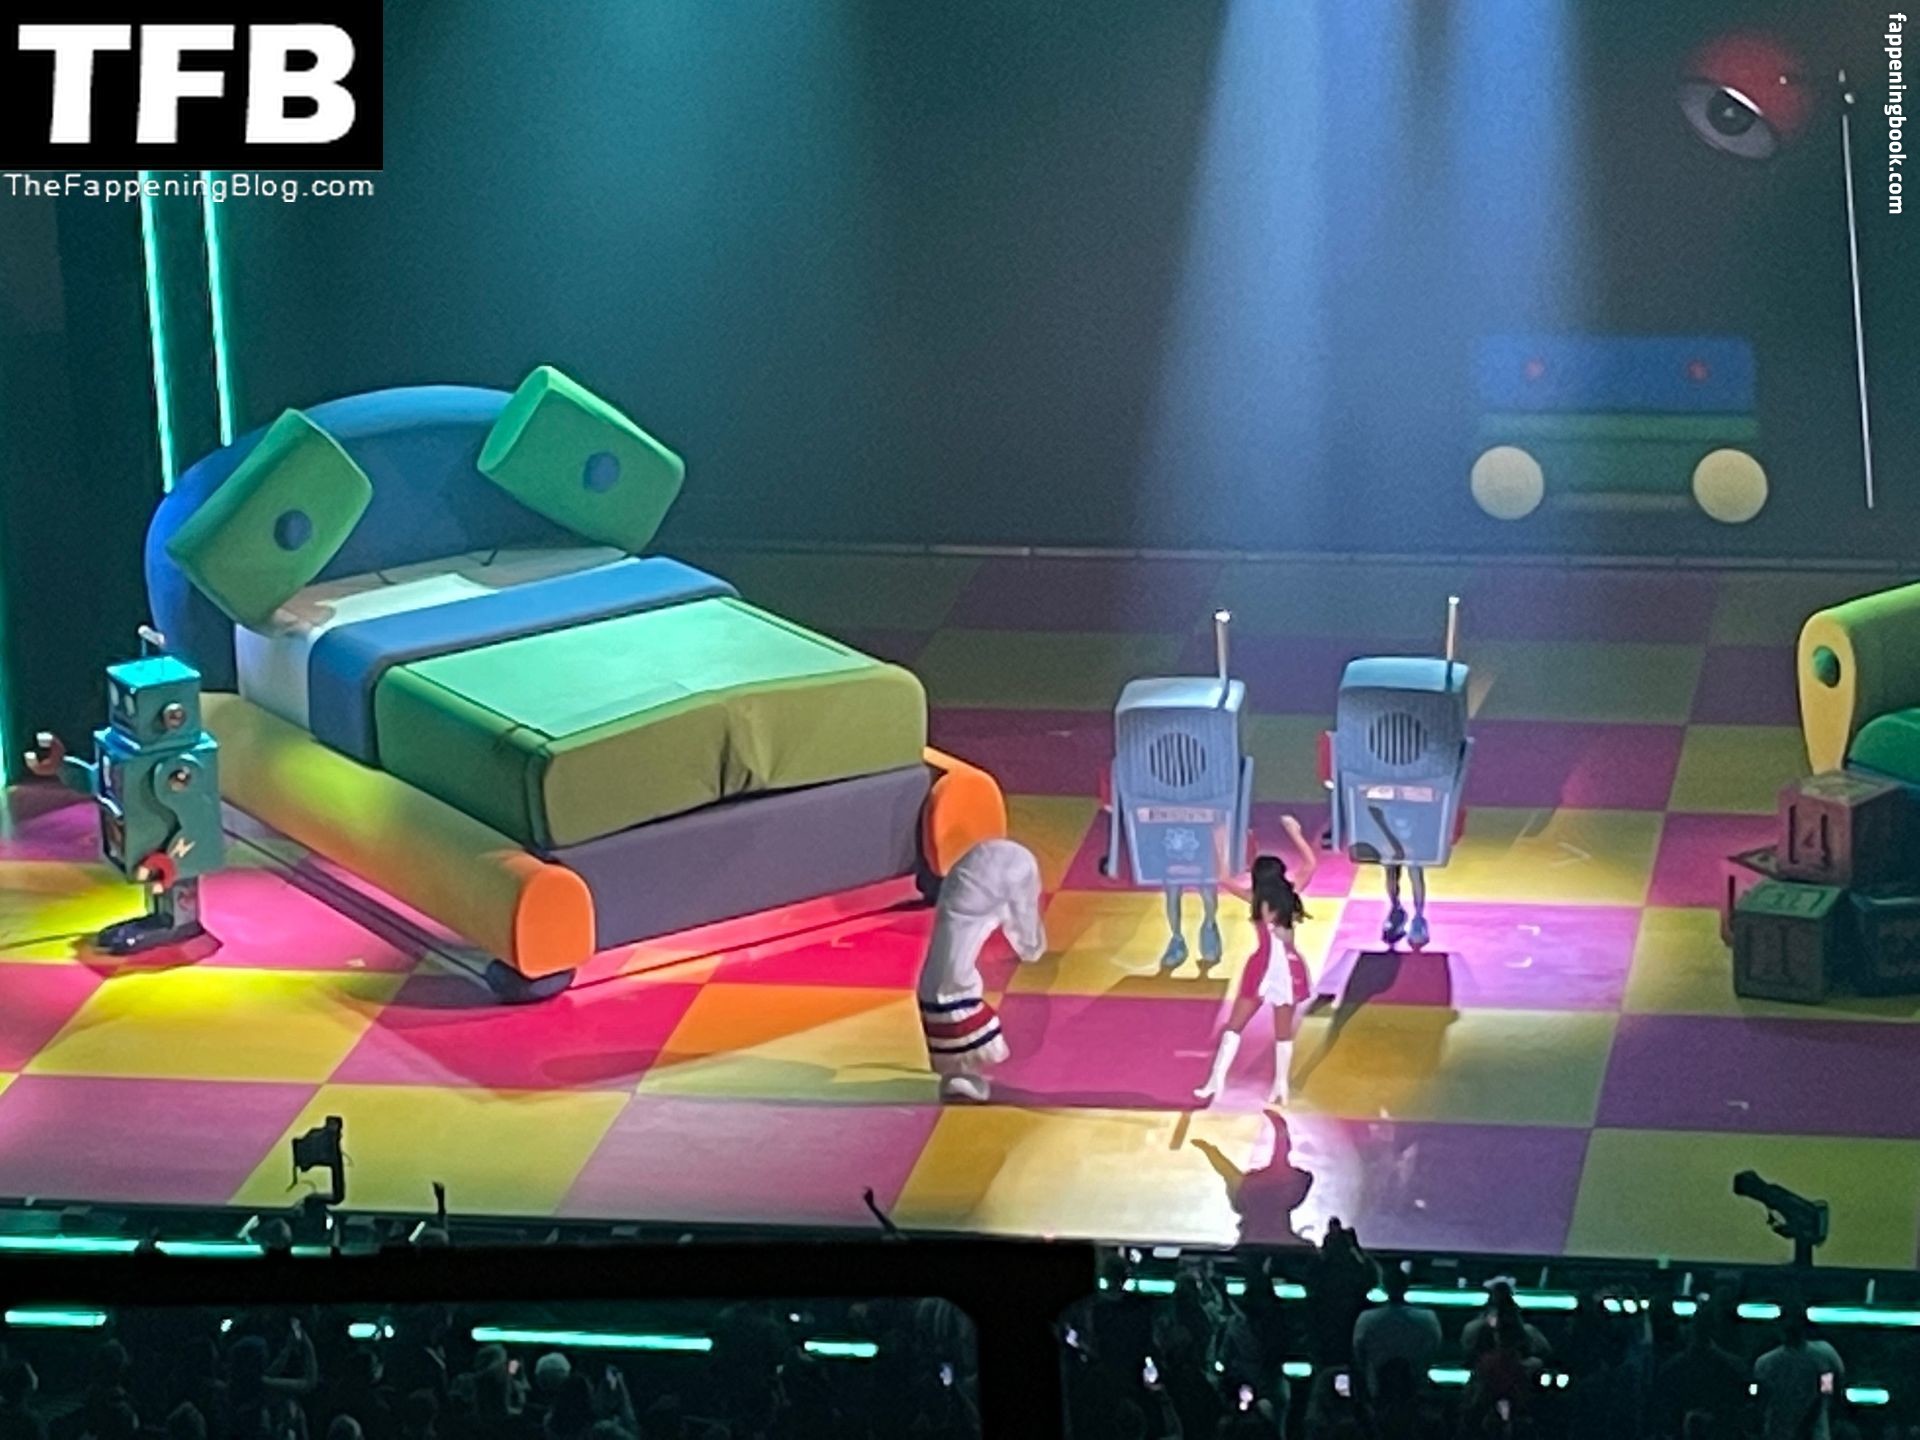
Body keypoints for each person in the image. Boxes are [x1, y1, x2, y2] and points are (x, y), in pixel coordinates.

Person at [1194, 818, 1318, 1104]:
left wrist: (1218, 842)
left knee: (1235, 1026)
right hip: (1285, 968)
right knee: (1281, 1033)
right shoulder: (1290, 894)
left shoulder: (1255, 899)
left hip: (1266, 967)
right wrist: (1295, 833)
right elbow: (1310, 864)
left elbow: (1223, 878)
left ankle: (1219, 1081)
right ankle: (1275, 1086)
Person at [916, 839, 1048, 1102]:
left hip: (944, 982)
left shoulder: (967, 887)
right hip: (951, 984)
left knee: (947, 994)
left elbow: (1020, 913)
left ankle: (962, 1073)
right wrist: (1030, 946)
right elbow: (1021, 915)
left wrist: (1029, 944)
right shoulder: (996, 880)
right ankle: (963, 1074)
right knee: (950, 999)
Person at [1753, 1305, 1845, 1440]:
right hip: (1811, 1433)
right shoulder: (1825, 1355)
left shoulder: (1766, 1363)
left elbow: (1762, 1403)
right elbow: (1829, 1392)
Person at [1352, 1267, 1442, 1403]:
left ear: (1385, 1287)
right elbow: (1434, 1349)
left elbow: (1359, 1353)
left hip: (1377, 1390)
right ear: (1406, 1286)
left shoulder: (1366, 1319)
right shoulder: (1428, 1318)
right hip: (1416, 1388)